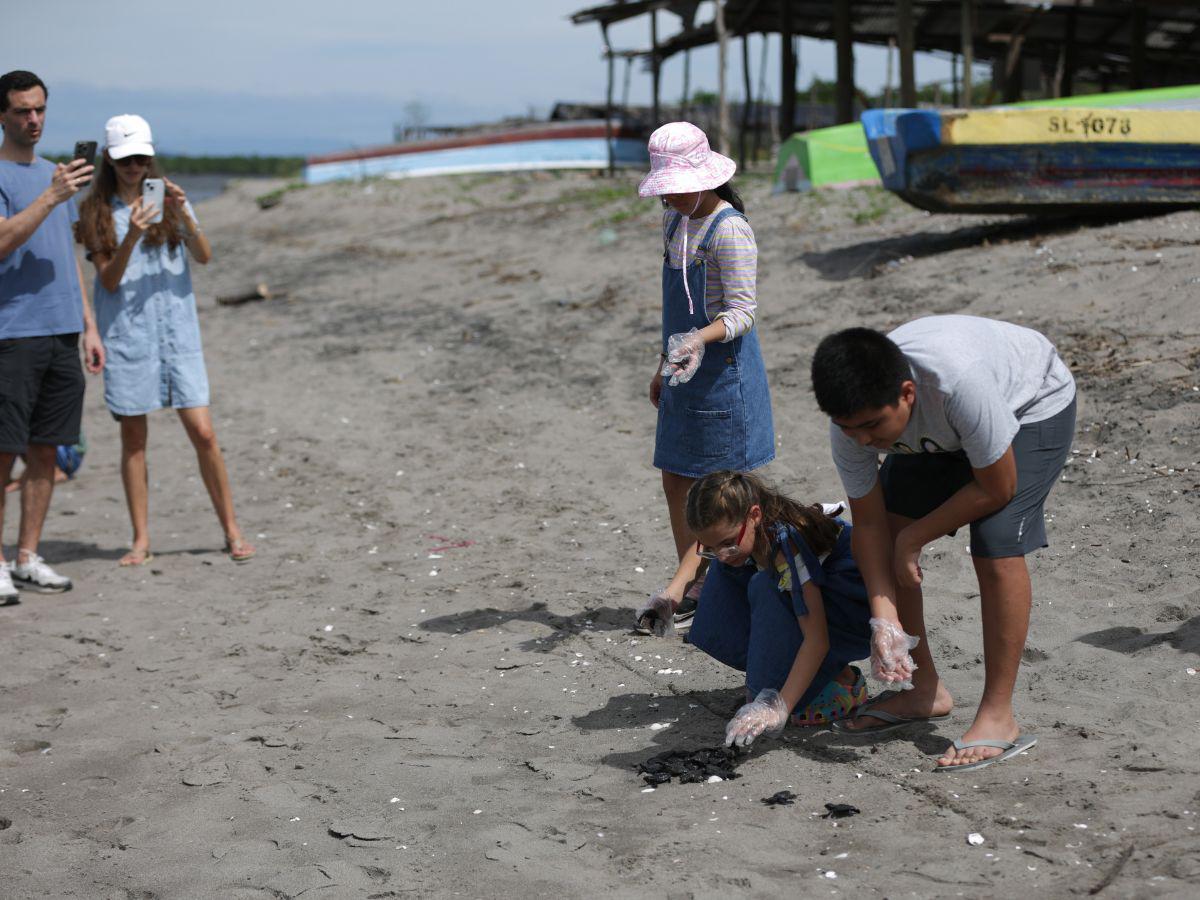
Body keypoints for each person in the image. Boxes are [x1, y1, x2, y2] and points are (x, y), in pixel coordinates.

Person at [810, 315, 1076, 772]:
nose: (863, 440)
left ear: (906, 393)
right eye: (850, 429)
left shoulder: (958, 385)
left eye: (871, 426)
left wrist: (915, 537)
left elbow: (997, 488)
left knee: (994, 543)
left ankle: (999, 715)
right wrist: (884, 618)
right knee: (890, 530)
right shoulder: (853, 424)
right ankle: (923, 691)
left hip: (1030, 404)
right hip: (943, 428)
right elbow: (869, 525)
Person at [75, 114, 254, 566]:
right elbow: (108, 281)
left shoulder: (170, 201)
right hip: (129, 337)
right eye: (125, 160)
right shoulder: (96, 212)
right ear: (109, 160)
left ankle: (232, 530)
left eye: (141, 158)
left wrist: (186, 210)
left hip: (178, 335)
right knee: (134, 440)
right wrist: (133, 235)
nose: (134, 167)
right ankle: (141, 539)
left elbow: (205, 256)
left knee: (204, 433)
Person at [632, 122, 775, 637]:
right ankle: (695, 580)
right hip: (681, 370)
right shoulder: (674, 222)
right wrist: (664, 362)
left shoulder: (730, 229)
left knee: (720, 489)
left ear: (705, 180)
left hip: (722, 375)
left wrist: (698, 340)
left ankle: (705, 587)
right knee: (676, 477)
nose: (668, 197)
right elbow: (674, 309)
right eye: (664, 189)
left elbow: (742, 313)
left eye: (675, 188)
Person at [0, 70, 105, 603]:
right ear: (2, 115)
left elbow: (66, 258)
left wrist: (89, 325)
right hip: (11, 333)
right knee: (2, 454)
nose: (34, 119)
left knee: (46, 452)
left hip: (63, 332)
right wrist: (50, 197)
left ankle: (27, 557)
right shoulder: (30, 181)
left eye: (39, 109)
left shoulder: (55, 175)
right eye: (22, 110)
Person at [684, 471, 872, 746]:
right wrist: (668, 599)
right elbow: (718, 553)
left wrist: (778, 706)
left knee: (763, 586)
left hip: (853, 607)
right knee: (725, 571)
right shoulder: (749, 535)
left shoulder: (787, 544)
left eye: (727, 543)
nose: (721, 553)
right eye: (710, 547)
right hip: (816, 597)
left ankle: (842, 681)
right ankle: (791, 678)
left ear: (755, 515)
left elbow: (817, 639)